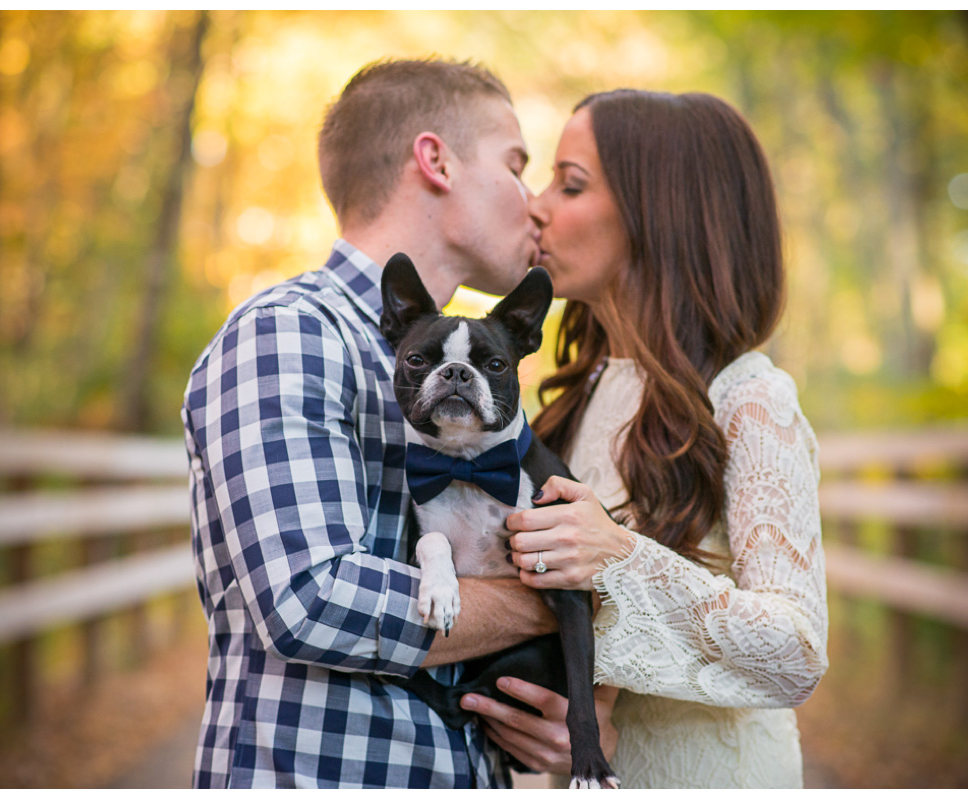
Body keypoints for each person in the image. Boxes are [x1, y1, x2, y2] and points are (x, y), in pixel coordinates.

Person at [181, 58, 596, 788]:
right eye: (515, 165)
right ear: (435, 161)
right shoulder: (291, 335)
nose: (536, 206)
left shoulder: (476, 376)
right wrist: (553, 606)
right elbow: (309, 603)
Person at [459, 90, 830, 789]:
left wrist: (620, 559)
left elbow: (797, 652)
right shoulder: (576, 396)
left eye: (570, 185)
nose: (536, 205)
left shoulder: (749, 398)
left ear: (659, 213)